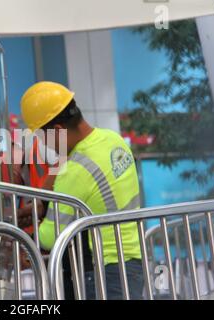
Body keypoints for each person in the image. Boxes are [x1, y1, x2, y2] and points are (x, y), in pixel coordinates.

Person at [20, 81, 143, 300]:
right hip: (132, 259)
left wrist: (15, 233)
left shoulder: (76, 170)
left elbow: (49, 237)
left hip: (102, 271)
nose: (46, 145)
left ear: (57, 130)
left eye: (42, 137)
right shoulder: (113, 140)